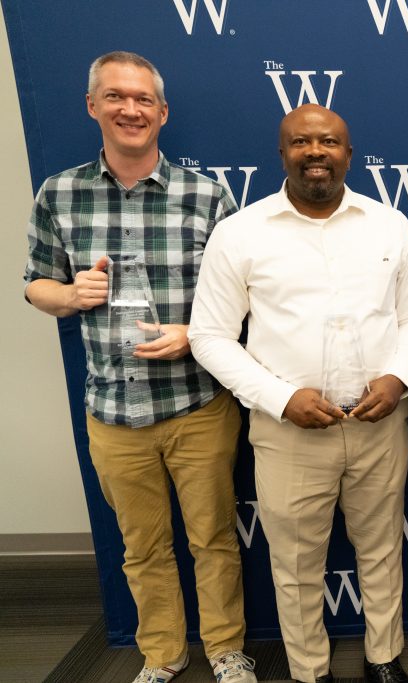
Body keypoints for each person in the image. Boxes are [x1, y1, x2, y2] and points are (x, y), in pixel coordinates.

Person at [22, 52, 255, 683]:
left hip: (197, 405)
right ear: (93, 106)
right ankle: (162, 653)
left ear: (163, 112)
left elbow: (243, 299)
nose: (131, 109)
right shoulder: (59, 193)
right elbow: (34, 286)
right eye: (116, 97)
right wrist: (68, 296)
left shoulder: (207, 196)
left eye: (144, 99)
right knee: (142, 547)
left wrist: (195, 333)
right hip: (112, 412)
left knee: (212, 540)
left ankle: (227, 650)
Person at [188, 103, 408, 683]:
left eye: (328, 142)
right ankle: (308, 671)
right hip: (288, 431)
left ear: (349, 153)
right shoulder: (240, 233)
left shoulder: (390, 225)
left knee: (380, 551)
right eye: (301, 142)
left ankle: (384, 658)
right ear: (282, 154)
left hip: (379, 425)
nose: (315, 152)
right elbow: (209, 336)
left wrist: (398, 377)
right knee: (295, 564)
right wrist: (279, 398)